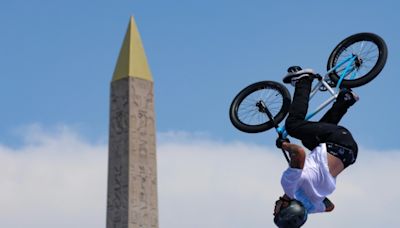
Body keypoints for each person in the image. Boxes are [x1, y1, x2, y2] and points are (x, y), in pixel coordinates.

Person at [273, 66, 359, 228]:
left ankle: (346, 99)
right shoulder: (289, 185)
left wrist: (312, 193)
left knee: (309, 141)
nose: (273, 210)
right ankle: (303, 81)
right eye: (276, 213)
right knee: (293, 125)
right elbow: (298, 152)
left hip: (349, 153)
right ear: (285, 207)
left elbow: (330, 207)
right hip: (336, 141)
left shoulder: (312, 206)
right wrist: (284, 145)